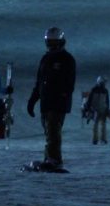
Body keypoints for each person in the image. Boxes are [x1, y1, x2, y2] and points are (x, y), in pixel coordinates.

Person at [27, 26, 77, 166]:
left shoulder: (66, 59)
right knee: (48, 131)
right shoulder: (46, 59)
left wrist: (63, 96)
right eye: (48, 42)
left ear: (60, 42)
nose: (50, 45)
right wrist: (33, 100)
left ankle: (54, 158)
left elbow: (69, 82)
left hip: (58, 101)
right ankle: (49, 157)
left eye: (53, 42)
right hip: (46, 101)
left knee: (53, 130)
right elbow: (40, 82)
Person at [87, 76, 110, 144]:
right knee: (96, 125)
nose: (104, 84)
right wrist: (89, 109)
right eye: (103, 83)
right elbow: (90, 100)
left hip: (102, 109)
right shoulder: (94, 90)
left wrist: (107, 109)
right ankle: (96, 139)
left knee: (102, 125)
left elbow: (107, 101)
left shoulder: (105, 90)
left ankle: (101, 139)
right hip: (95, 109)